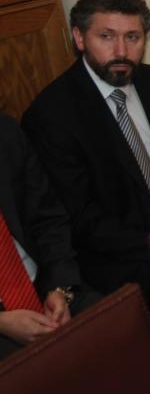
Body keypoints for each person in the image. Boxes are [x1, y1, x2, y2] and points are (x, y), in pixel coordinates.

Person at [22, 0, 150, 312]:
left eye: (133, 37)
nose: (122, 51)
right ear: (79, 38)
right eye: (106, 37)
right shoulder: (52, 115)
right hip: (124, 258)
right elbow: (83, 220)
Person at [0, 114, 79, 359]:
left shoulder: (5, 131)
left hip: (43, 285)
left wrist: (58, 289)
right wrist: (2, 322)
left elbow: (48, 218)